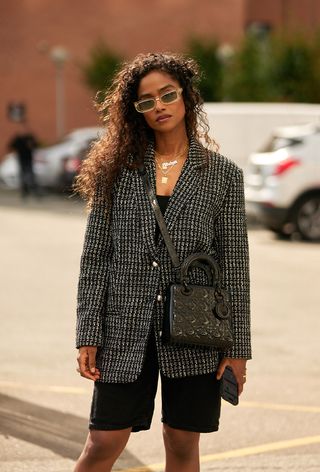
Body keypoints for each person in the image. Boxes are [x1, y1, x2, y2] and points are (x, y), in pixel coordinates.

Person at [74, 52, 251, 472]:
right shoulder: (116, 172)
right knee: (102, 442)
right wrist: (88, 331)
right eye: (146, 100)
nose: (159, 106)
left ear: (186, 97)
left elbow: (236, 267)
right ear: (135, 111)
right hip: (124, 327)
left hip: (196, 331)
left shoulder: (223, 175)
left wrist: (239, 349)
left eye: (167, 94)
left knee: (182, 443)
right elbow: (96, 257)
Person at [8, 121, 40, 200]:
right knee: (23, 176)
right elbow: (10, 146)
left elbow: (36, 145)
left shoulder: (30, 138)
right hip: (21, 159)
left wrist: (32, 145)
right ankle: (24, 193)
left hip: (29, 159)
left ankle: (34, 192)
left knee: (31, 176)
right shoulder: (18, 138)